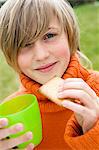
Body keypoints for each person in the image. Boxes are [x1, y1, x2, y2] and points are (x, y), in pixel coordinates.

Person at [0, 0, 99, 149]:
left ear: (69, 34)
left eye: (49, 35)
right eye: (24, 44)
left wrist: (94, 132)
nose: (41, 55)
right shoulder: (7, 118)